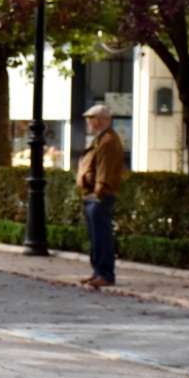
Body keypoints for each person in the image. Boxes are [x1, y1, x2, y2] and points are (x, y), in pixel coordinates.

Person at [76, 103, 125, 289]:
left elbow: (105, 170)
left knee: (102, 237)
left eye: (92, 118)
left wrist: (98, 192)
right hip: (92, 195)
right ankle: (98, 272)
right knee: (96, 237)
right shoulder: (101, 139)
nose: (89, 122)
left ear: (103, 120)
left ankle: (105, 274)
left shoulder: (108, 141)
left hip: (99, 196)